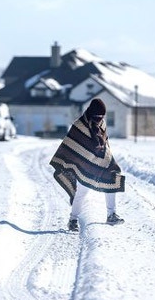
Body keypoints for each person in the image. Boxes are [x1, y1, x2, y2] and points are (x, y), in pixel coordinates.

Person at [50, 98, 125, 231]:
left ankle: (111, 214)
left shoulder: (102, 124)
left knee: (112, 180)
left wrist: (107, 158)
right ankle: (73, 220)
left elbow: (105, 143)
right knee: (82, 192)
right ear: (91, 113)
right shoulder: (79, 125)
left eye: (102, 116)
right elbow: (71, 144)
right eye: (97, 116)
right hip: (84, 164)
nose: (99, 118)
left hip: (102, 162)